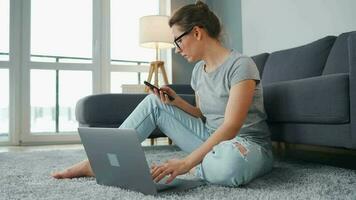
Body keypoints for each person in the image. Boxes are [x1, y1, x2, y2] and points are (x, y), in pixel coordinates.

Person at [52, 1, 273, 187]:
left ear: (197, 32)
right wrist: (177, 102)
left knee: (229, 167)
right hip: (210, 139)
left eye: (178, 40)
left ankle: (203, 165)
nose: (177, 49)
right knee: (153, 102)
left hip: (246, 144)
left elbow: (231, 126)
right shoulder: (198, 71)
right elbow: (203, 114)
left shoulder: (241, 65)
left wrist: (187, 163)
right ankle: (96, 162)